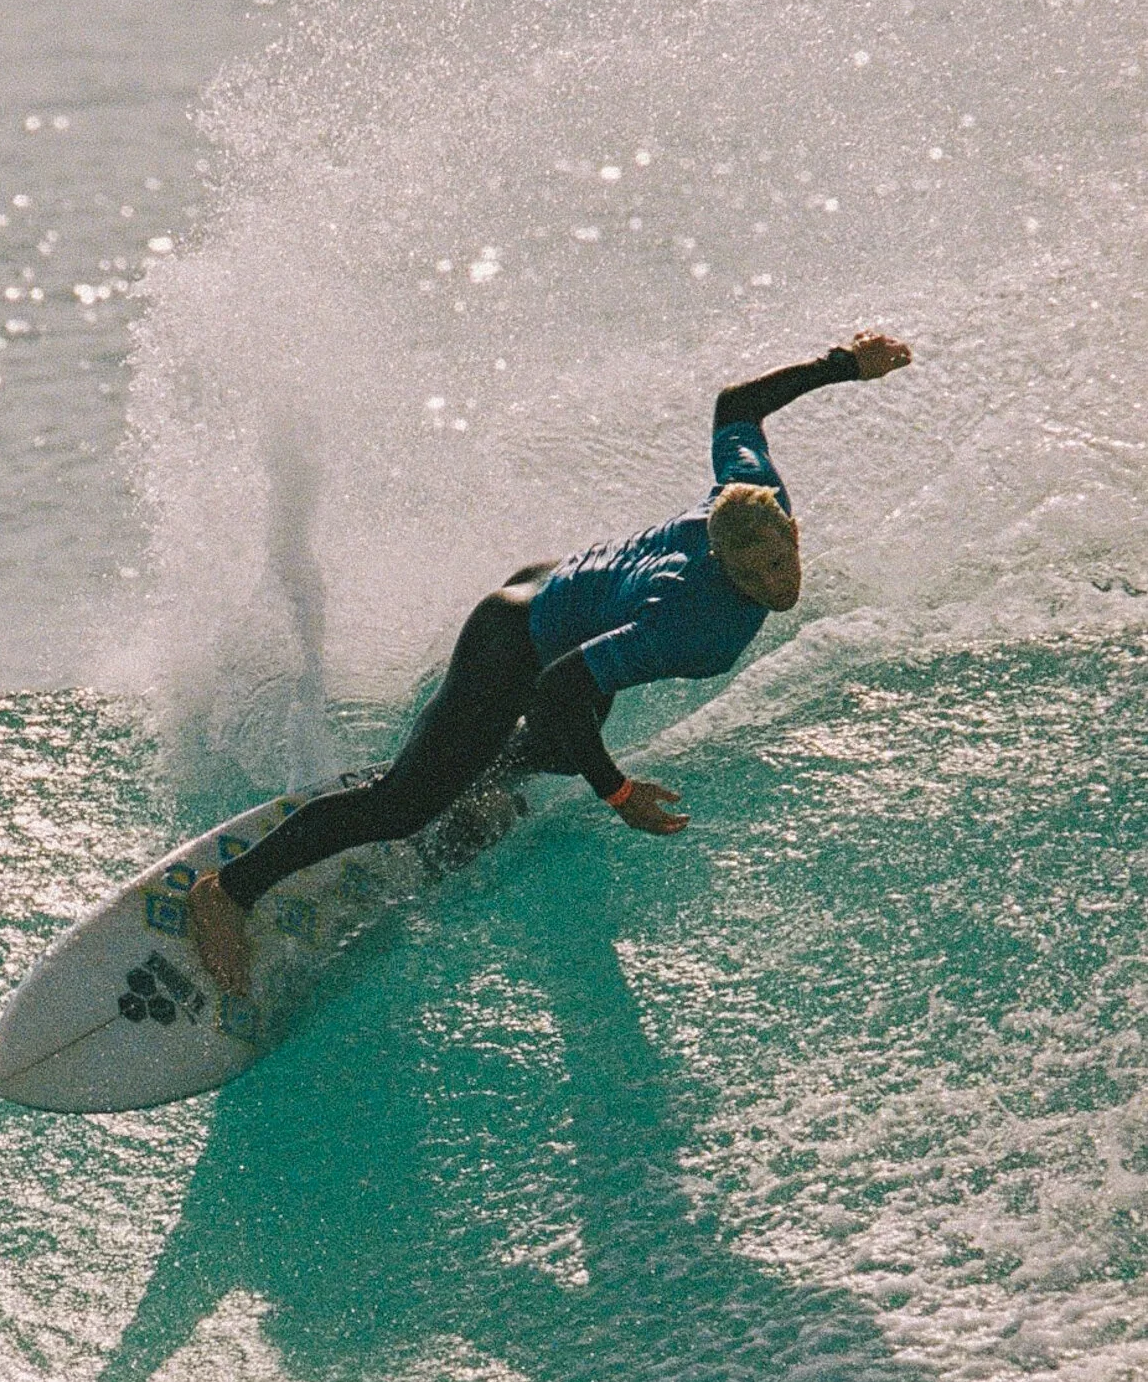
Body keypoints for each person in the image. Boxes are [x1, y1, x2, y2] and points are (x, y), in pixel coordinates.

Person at [190, 328, 912, 993]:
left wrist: (844, 365)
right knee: (403, 807)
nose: (779, 584)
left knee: (564, 750)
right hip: (516, 636)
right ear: (722, 564)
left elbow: (736, 407)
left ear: (791, 527)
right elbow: (559, 688)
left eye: (783, 560)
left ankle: (484, 778)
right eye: (756, 575)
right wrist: (619, 794)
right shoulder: (691, 623)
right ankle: (228, 893)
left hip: (572, 596)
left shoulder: (752, 497)